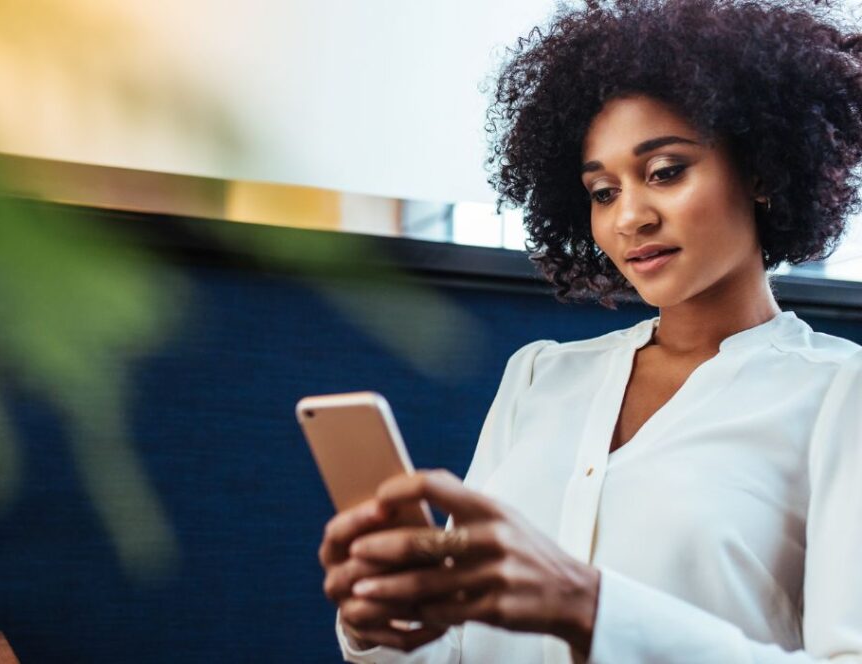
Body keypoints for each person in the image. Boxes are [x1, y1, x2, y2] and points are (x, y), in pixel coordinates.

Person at [317, 0, 862, 661]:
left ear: (762, 171)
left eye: (665, 172)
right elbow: (457, 649)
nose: (629, 217)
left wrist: (592, 609)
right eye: (603, 191)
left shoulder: (839, 394)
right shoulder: (540, 376)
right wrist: (384, 630)